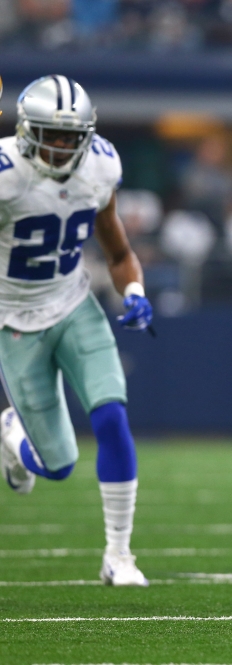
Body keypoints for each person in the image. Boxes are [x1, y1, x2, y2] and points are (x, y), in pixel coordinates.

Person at [0, 76, 153, 586]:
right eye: (52, 134)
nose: (63, 146)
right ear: (26, 131)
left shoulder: (99, 168)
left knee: (111, 415)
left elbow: (118, 251)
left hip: (72, 304)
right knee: (58, 465)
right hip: (13, 320)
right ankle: (11, 433)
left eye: (72, 136)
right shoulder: (6, 175)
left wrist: (134, 292)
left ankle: (120, 556)